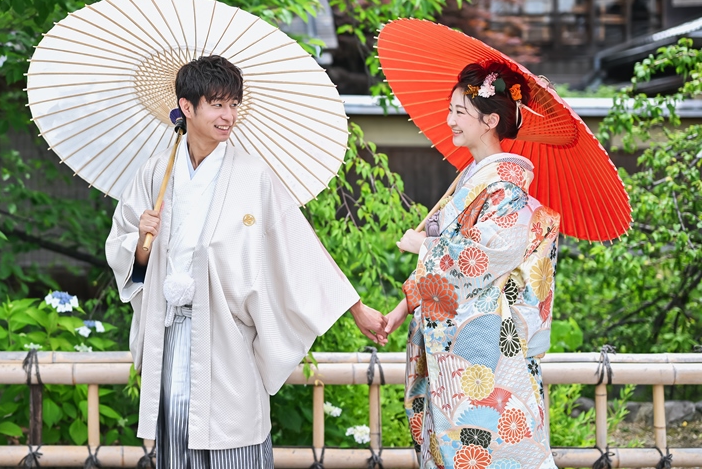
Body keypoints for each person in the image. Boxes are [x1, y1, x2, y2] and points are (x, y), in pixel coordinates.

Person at [105, 55, 387, 469]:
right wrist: (144, 241)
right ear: (187, 107)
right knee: (176, 443)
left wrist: (355, 308)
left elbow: (298, 246)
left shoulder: (254, 175)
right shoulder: (153, 175)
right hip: (170, 332)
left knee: (233, 442)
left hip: (228, 336)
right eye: (218, 104)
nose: (228, 115)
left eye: (234, 105)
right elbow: (125, 249)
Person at [383, 61, 561, 469]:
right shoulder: (472, 179)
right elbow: (445, 265)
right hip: (453, 342)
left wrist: (424, 247)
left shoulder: (507, 189)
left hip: (484, 349)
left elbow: (479, 257)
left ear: (491, 120)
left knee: (485, 448)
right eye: (450, 111)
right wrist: (400, 309)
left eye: (459, 112)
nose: (449, 120)